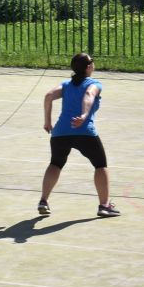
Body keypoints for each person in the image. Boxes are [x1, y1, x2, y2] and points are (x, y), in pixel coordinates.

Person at [39, 53, 120, 218]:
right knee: (100, 165)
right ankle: (104, 205)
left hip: (60, 132)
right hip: (84, 132)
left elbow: (48, 96)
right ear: (89, 67)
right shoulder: (94, 84)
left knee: (55, 164)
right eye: (92, 61)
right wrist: (83, 116)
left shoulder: (66, 85)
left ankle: (43, 201)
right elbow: (89, 95)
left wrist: (47, 121)